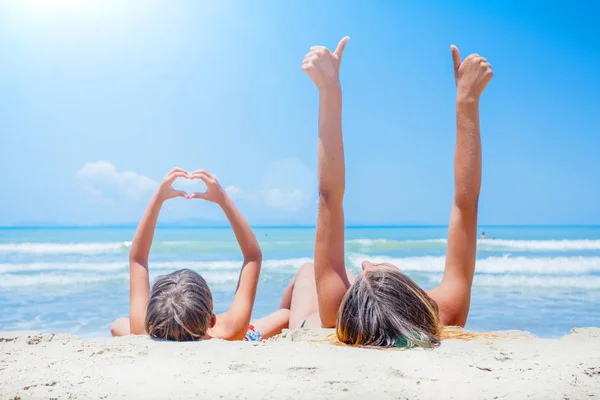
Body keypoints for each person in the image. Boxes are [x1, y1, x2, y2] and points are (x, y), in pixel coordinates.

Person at [282, 37, 493, 348]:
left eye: (363, 271)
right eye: (377, 269)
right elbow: (465, 204)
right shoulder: (442, 312)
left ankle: (272, 323)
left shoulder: (335, 311)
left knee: (306, 273)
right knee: (307, 274)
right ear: (415, 295)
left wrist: (329, 91)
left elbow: (329, 196)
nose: (365, 265)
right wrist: (467, 100)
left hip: (309, 322)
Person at [110, 168, 289, 341]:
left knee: (118, 324)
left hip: (163, 331)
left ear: (150, 317)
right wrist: (223, 200)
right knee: (285, 315)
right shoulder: (231, 331)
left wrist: (157, 199)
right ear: (212, 320)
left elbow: (137, 259)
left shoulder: (142, 330)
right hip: (242, 337)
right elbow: (253, 256)